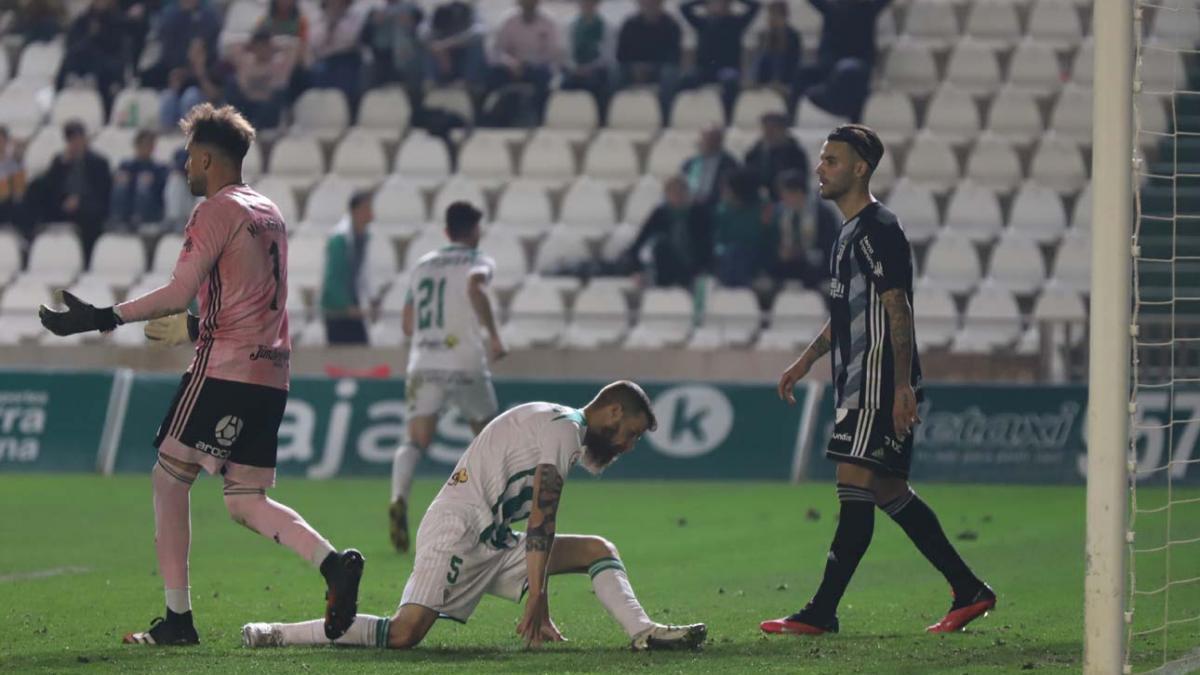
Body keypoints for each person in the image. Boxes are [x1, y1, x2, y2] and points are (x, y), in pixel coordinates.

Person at [37, 104, 365, 646]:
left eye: (190, 157)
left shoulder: (214, 211)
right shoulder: (270, 212)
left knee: (169, 478)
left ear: (208, 159)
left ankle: (179, 620)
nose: (186, 166)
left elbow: (175, 291)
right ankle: (334, 565)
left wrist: (101, 318)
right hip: (273, 373)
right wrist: (193, 326)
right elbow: (253, 301)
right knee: (243, 500)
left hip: (223, 369)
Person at [242, 381, 708, 652]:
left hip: (492, 537)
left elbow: (538, 519)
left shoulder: (558, 422)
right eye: (630, 433)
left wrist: (536, 586)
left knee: (598, 550)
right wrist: (537, 595)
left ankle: (644, 634)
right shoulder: (565, 431)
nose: (627, 446)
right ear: (612, 411)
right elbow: (543, 519)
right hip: (457, 530)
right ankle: (277, 633)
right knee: (404, 634)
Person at [761, 124, 995, 637]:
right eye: (821, 159)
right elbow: (848, 313)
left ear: (860, 168)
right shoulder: (848, 233)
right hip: (858, 381)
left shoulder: (878, 229)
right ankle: (969, 590)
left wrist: (901, 385)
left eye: (832, 161)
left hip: (876, 383)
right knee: (890, 491)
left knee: (853, 486)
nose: (820, 169)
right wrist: (804, 362)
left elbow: (897, 305)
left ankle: (821, 611)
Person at [389, 201, 506, 553]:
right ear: (473, 231)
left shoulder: (423, 266)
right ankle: (493, 522)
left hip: (424, 361)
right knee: (490, 441)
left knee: (415, 440)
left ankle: (398, 497)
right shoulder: (478, 259)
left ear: (445, 231)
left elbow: (407, 323)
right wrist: (495, 336)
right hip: (465, 361)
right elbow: (475, 288)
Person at [23, 120, 112, 266]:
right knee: (35, 190)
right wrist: (63, 166)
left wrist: (80, 200)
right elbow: (50, 187)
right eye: (72, 140)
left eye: (78, 139)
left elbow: (102, 192)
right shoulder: (60, 161)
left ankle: (86, 262)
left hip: (89, 207)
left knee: (88, 217)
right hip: (62, 205)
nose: (75, 143)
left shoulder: (99, 162)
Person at [798, 0, 892, 120]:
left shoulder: (867, 9)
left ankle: (854, 120)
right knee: (803, 73)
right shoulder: (833, 9)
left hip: (858, 68)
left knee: (848, 74)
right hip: (833, 68)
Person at [626, 175, 712, 288]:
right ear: (666, 195)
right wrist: (637, 270)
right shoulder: (659, 214)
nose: (678, 196)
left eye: (681, 192)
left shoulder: (699, 213)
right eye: (673, 193)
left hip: (693, 266)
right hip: (667, 265)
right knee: (660, 245)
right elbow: (638, 243)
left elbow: (707, 245)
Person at [486, 0, 564, 125]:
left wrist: (528, 63)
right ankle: (487, 117)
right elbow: (497, 50)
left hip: (537, 67)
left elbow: (552, 52)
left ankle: (539, 118)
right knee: (492, 75)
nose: (528, 5)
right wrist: (511, 63)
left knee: (544, 77)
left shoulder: (548, 22)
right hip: (512, 67)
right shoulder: (508, 21)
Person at [679, 0, 761, 116]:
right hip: (704, 70)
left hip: (727, 69)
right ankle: (686, 114)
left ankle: (727, 117)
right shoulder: (701, 22)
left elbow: (756, 6)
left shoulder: (737, 23)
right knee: (686, 80)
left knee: (730, 82)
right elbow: (683, 8)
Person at [766, 169, 837, 292]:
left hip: (816, 264)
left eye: (786, 194)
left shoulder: (822, 214)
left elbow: (829, 247)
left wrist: (802, 253)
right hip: (788, 264)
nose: (783, 199)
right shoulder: (780, 213)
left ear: (799, 193)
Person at [320, 191, 374, 345]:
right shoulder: (339, 240)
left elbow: (363, 273)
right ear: (356, 211)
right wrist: (347, 307)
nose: (371, 214)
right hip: (338, 309)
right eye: (367, 209)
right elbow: (333, 278)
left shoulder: (363, 237)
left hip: (352, 305)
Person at [56, 0, 127, 115]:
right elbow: (72, 44)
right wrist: (89, 37)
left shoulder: (116, 22)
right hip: (82, 61)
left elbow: (117, 49)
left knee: (99, 63)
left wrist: (98, 36)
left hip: (106, 64)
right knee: (68, 62)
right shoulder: (82, 21)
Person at [616, 0, 683, 117]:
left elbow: (674, 56)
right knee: (614, 73)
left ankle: (665, 116)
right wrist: (635, 67)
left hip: (659, 69)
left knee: (670, 74)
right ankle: (610, 115)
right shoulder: (629, 24)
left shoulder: (671, 25)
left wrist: (651, 67)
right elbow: (621, 54)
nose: (649, 5)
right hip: (633, 68)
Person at [226, 29, 301, 131]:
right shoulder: (246, 62)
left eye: (265, 46)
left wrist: (275, 44)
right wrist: (250, 43)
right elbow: (232, 46)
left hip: (269, 109)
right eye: (259, 46)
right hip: (248, 106)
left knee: (280, 92)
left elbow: (293, 46)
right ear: (253, 47)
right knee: (231, 82)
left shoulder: (278, 64)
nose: (262, 50)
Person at [711, 168, 770, 288]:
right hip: (728, 257)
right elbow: (718, 240)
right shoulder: (722, 211)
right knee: (732, 253)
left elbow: (763, 238)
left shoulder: (761, 209)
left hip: (755, 256)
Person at [307, 0, 368, 109]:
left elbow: (349, 38)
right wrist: (330, 25)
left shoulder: (355, 15)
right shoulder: (316, 16)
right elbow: (315, 41)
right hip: (324, 59)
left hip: (347, 57)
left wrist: (336, 23)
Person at [561, 0, 614, 122]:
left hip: (596, 70)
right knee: (564, 84)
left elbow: (608, 55)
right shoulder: (571, 25)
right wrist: (575, 67)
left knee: (599, 83)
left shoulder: (606, 26)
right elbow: (566, 52)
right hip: (574, 70)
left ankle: (600, 120)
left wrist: (590, 68)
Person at [159, 37, 226, 131]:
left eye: (198, 51)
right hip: (181, 106)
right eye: (192, 50)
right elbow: (176, 91)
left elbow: (214, 95)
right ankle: (167, 131)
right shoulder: (184, 68)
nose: (194, 54)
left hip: (205, 105)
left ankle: (188, 131)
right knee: (167, 96)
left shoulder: (214, 68)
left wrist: (201, 73)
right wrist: (175, 82)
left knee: (191, 95)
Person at [110, 129, 169, 229]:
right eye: (143, 145)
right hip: (128, 204)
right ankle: (118, 219)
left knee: (143, 186)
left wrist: (152, 182)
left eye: (149, 145)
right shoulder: (126, 166)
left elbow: (161, 192)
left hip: (151, 208)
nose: (146, 148)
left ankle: (138, 220)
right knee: (121, 185)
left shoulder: (159, 168)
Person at [744, 112, 809, 199]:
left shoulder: (795, 154)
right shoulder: (754, 154)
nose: (769, 133)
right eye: (766, 129)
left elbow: (799, 180)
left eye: (773, 129)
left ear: (783, 130)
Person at [681, 125, 739, 212]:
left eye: (713, 139)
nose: (708, 142)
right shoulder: (691, 162)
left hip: (714, 206)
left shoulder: (729, 163)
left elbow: (730, 190)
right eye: (706, 139)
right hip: (690, 205)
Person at [754, 1, 801, 95]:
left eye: (775, 15)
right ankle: (759, 84)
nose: (771, 18)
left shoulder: (792, 35)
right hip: (766, 76)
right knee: (765, 56)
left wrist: (781, 34)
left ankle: (777, 83)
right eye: (770, 14)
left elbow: (793, 59)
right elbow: (761, 58)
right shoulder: (765, 34)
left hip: (786, 76)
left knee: (778, 56)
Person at [0, 126, 28, 228]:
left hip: (8, 204)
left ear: (6, 142)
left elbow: (19, 189)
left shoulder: (14, 162)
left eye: (1, 141)